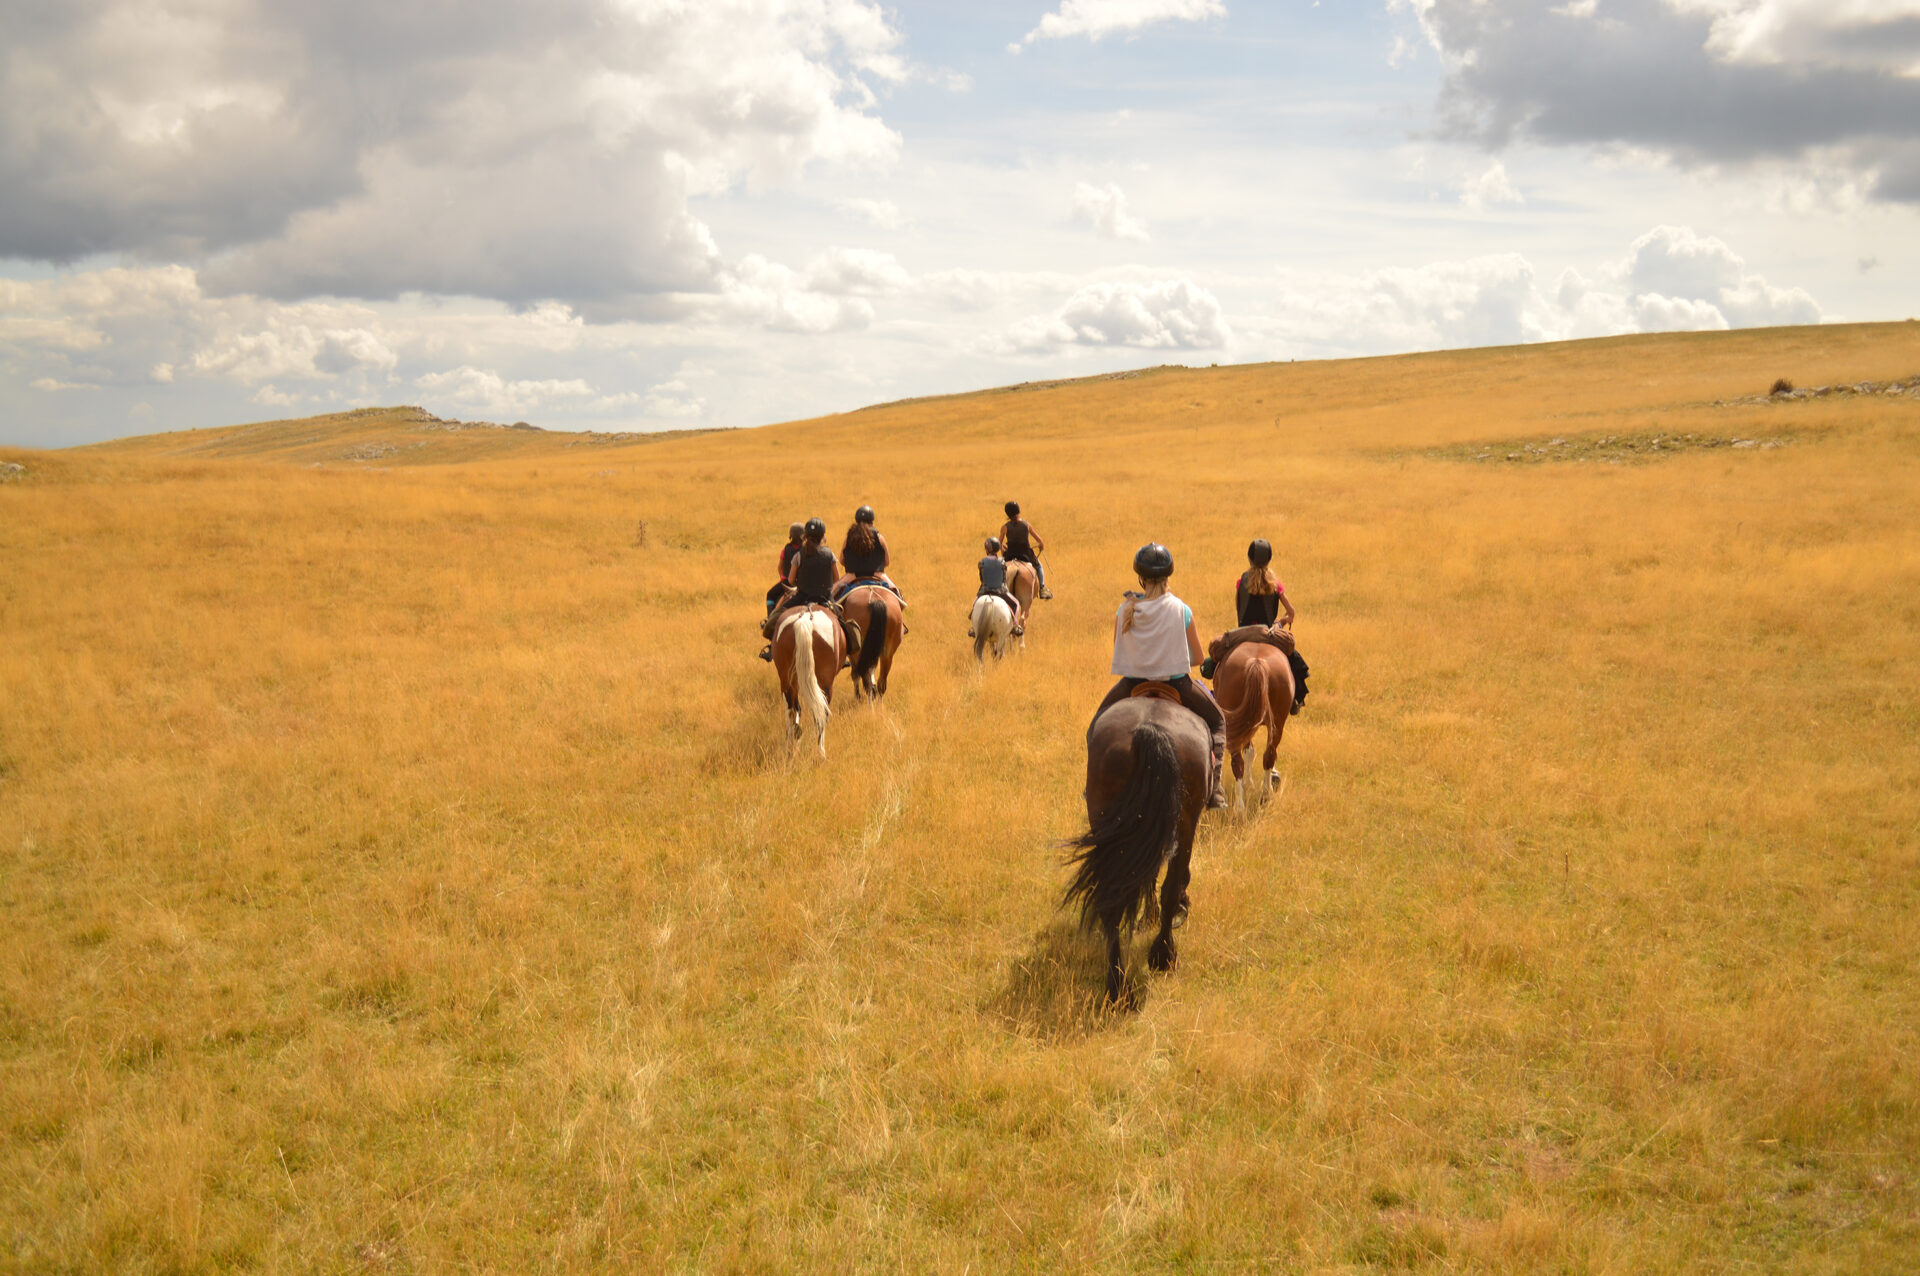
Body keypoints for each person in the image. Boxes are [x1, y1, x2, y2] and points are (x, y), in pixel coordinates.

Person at [1087, 543, 1228, 808]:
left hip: (1132, 684)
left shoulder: (1125, 609)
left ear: (1140, 578)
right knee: (1218, 721)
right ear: (1168, 577)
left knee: (1096, 727)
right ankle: (1214, 788)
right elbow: (1197, 659)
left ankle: (1092, 785)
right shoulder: (1181, 609)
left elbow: (1120, 645)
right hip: (1178, 684)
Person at [1205, 538, 1310, 713]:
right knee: (1293, 658)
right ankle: (1295, 700)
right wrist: (1281, 622)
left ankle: (1218, 692)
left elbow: (1239, 610)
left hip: (1243, 633)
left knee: (1215, 650)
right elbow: (1291, 613)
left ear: (1249, 558)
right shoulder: (1276, 585)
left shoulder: (1241, 582)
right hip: (1269, 633)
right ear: (1269, 559)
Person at [759, 517, 837, 659]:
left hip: (801, 597)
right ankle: (845, 654)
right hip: (825, 598)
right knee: (843, 623)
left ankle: (771, 647)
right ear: (822, 537)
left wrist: (800, 583)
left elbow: (790, 580)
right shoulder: (830, 554)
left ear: (806, 536)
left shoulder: (798, 555)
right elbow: (837, 578)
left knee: (775, 618)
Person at [833, 505, 905, 605]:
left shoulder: (849, 537)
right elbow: (887, 562)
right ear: (872, 520)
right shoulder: (880, 538)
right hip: (878, 574)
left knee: (832, 598)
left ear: (857, 520)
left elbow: (841, 560)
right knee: (899, 597)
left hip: (852, 575)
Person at [971, 537, 1025, 636]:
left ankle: (974, 628)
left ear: (987, 549)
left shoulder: (982, 562)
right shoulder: (1002, 562)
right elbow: (1003, 579)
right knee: (1016, 604)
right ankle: (1014, 625)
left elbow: (982, 579)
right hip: (1000, 591)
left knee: (974, 605)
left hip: (984, 591)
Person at [998, 500, 1052, 600]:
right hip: (1026, 554)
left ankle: (996, 588)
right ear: (1018, 511)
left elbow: (998, 543)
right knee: (1039, 566)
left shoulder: (1005, 527)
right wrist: (1040, 546)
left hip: (1010, 554)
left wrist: (1003, 548)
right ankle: (1042, 588)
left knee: (999, 567)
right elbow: (1040, 541)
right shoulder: (1027, 525)